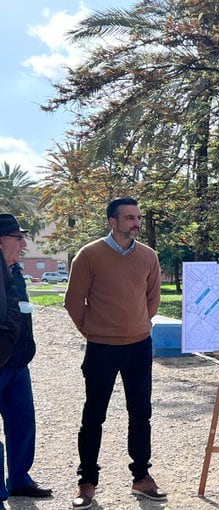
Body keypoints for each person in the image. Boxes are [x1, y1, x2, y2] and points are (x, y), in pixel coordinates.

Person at [64, 198, 166, 510]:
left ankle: (141, 477)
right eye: (129, 218)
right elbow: (73, 301)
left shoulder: (148, 256)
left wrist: (136, 327)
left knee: (141, 413)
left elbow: (153, 298)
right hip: (101, 348)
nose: (136, 222)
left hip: (138, 346)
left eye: (137, 217)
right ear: (113, 221)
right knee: (93, 416)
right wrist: (95, 331)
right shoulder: (89, 255)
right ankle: (87, 483)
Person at [0, 214, 53, 508]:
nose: (23, 243)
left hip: (18, 364)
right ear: (0, 241)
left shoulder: (15, 271)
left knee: (23, 423)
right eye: (17, 238)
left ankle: (19, 479)